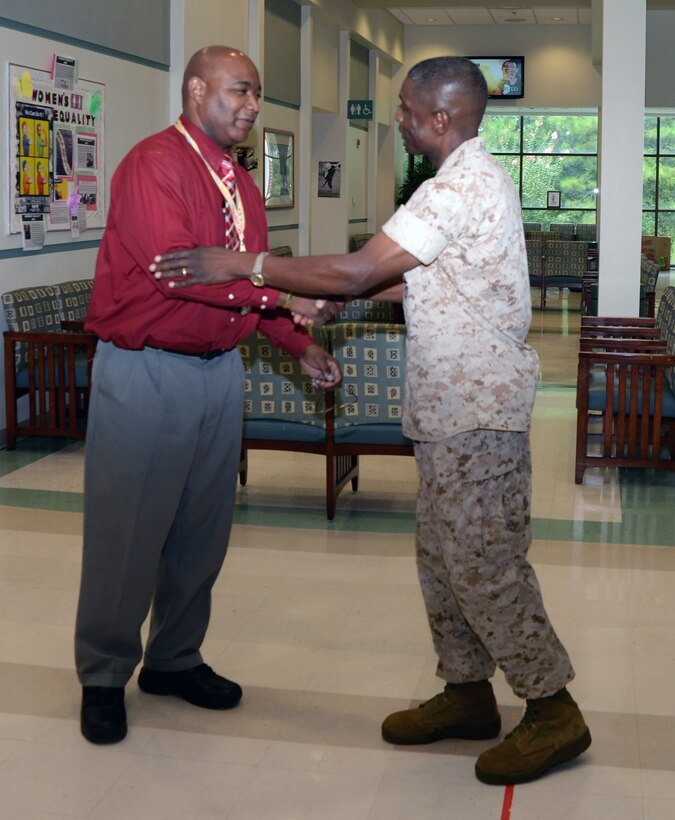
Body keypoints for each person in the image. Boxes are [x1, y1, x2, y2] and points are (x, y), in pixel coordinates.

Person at [151, 56, 591, 786]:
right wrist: (335, 300)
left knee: (482, 564)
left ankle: (553, 708)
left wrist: (247, 265)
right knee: (440, 561)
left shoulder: (457, 186)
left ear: (440, 119)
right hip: (452, 412)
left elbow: (359, 269)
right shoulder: (465, 181)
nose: (398, 118)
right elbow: (416, 278)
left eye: (407, 109)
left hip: (475, 413)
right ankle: (466, 693)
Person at [75, 45, 341, 746]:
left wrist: (297, 343)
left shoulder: (240, 183)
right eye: (240, 91)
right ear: (196, 90)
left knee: (201, 530)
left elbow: (242, 289)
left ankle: (173, 659)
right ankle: (103, 674)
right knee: (127, 532)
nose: (251, 106)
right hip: (145, 370)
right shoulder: (154, 165)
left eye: (256, 95)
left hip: (218, 371)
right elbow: (176, 274)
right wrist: (287, 293)